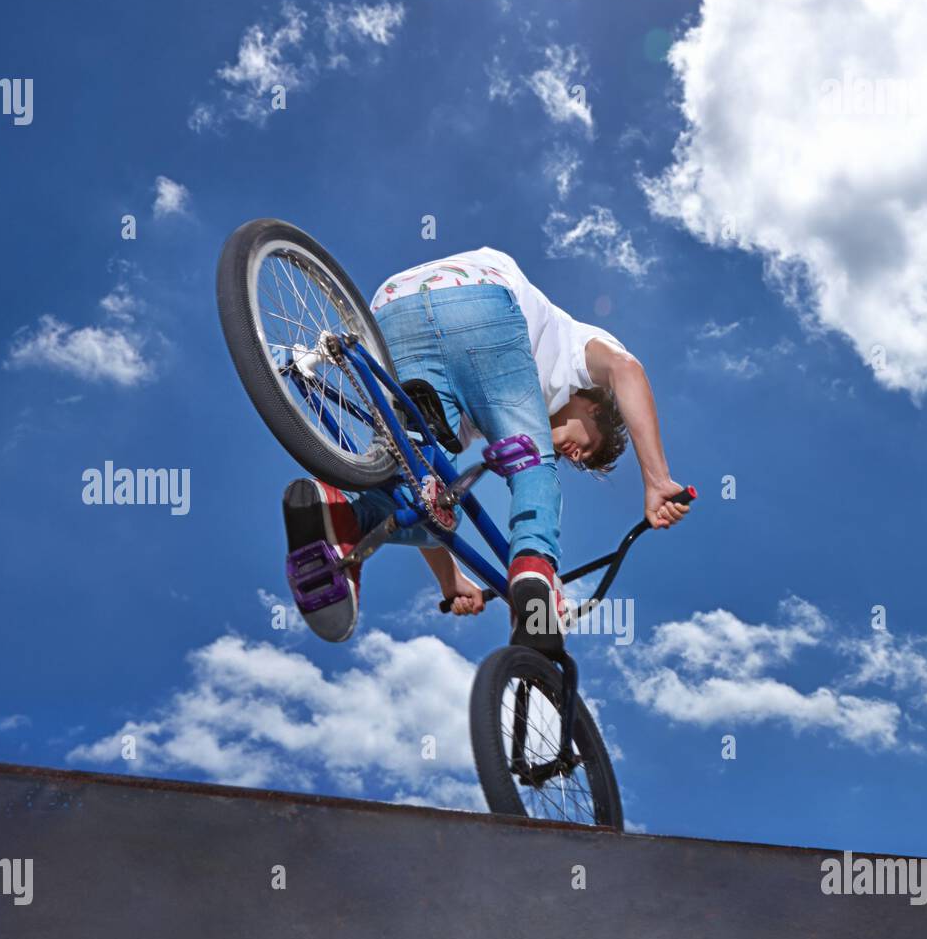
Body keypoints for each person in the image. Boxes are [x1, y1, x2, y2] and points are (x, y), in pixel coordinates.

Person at [283, 246, 688, 653]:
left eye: (576, 459)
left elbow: (427, 491)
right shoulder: (574, 348)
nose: (574, 455)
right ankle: (534, 568)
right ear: (594, 404)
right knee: (534, 461)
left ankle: (340, 517)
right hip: (480, 299)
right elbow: (627, 369)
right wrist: (656, 480)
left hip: (390, 308)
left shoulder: (474, 420)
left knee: (426, 490)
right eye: (587, 445)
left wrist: (451, 580)